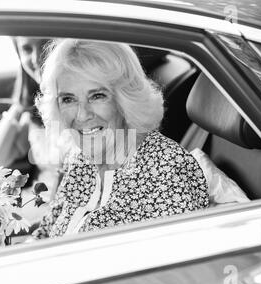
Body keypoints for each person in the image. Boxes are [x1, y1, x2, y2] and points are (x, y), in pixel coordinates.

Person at [32, 39, 210, 239]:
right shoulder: (80, 159)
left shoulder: (167, 171)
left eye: (97, 96)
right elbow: (46, 232)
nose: (81, 115)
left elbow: (175, 265)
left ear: (124, 99)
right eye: (68, 99)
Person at [0, 37, 62, 228]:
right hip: (36, 202)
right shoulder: (32, 116)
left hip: (59, 211)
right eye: (26, 49)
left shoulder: (86, 106)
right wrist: (20, 104)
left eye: (45, 45)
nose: (36, 58)